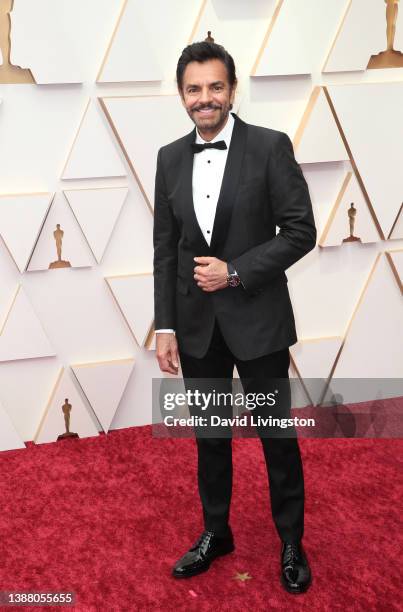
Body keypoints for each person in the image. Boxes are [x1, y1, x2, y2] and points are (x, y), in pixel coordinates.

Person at [153, 41, 316, 594]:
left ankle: (291, 540)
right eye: (194, 89)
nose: (206, 98)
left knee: (276, 437)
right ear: (182, 95)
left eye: (215, 87)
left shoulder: (270, 148)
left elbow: (301, 231)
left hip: (259, 321)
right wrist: (167, 325)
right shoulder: (169, 158)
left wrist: (236, 272)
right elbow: (166, 249)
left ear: (232, 89)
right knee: (210, 439)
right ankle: (216, 532)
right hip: (197, 327)